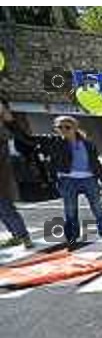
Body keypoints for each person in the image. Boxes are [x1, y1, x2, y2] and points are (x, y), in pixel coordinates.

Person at [1, 112, 102, 248]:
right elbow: (27, 139)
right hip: (67, 181)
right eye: (59, 127)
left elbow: (95, 163)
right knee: (70, 211)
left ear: (75, 127)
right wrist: (11, 123)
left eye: (67, 127)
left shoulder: (88, 144)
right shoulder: (53, 142)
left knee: (98, 209)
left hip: (89, 180)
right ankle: (72, 237)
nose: (63, 130)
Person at [0, 97, 33, 248]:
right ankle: (18, 235)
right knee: (3, 208)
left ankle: (23, 236)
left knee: (5, 206)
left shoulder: (5, 129)